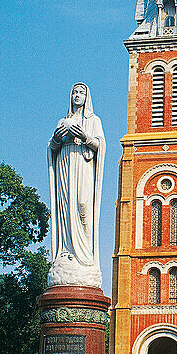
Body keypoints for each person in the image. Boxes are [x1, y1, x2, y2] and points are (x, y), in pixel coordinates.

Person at [48, 83, 106, 289]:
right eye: (74, 92)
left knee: (83, 206)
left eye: (81, 93)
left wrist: (85, 137)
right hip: (65, 164)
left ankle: (85, 255)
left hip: (83, 165)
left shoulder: (93, 120)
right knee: (66, 207)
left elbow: (100, 145)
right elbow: (52, 147)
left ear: (87, 97)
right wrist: (56, 138)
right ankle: (67, 251)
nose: (77, 96)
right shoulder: (63, 121)